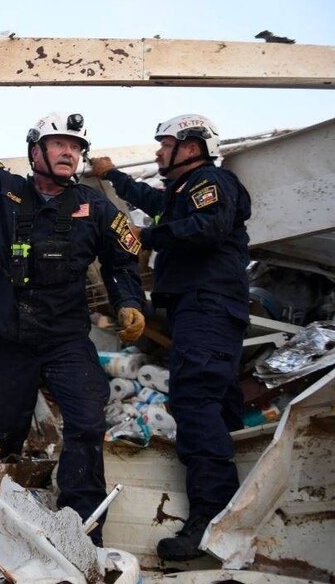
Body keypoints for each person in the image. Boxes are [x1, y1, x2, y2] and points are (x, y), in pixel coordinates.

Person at [0, 80, 146, 545]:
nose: (69, 153)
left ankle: (82, 531)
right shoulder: (3, 193)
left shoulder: (96, 207)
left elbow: (122, 261)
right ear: (35, 151)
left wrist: (130, 301)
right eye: (59, 144)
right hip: (8, 336)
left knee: (88, 422)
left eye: (75, 147)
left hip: (65, 338)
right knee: (0, 432)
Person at [90, 114, 251, 561]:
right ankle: (239, 510)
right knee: (217, 402)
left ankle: (211, 516)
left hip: (208, 304)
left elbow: (206, 227)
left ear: (193, 145)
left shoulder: (210, 181)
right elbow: (154, 200)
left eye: (165, 144)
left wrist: (148, 236)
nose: (158, 151)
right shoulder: (184, 192)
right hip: (202, 308)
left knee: (194, 400)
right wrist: (112, 176)